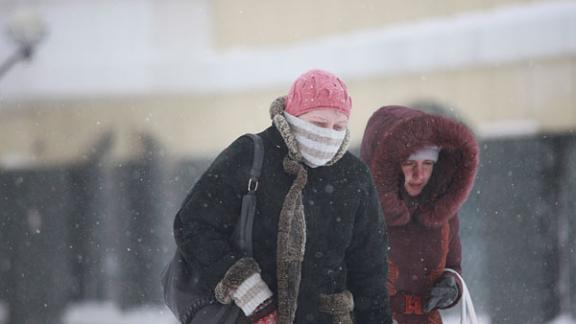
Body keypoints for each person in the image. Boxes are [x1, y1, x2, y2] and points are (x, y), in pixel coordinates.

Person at [173, 69, 393, 324]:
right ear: (292, 117)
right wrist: (251, 294)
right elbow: (193, 224)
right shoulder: (252, 154)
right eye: (319, 124)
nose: (328, 135)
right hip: (247, 316)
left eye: (339, 126)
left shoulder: (354, 176)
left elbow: (370, 269)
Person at [360, 105, 479, 324]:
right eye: (409, 163)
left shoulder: (443, 211)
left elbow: (453, 267)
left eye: (428, 163)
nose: (419, 175)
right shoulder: (362, 211)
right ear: (390, 167)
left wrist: (451, 287)